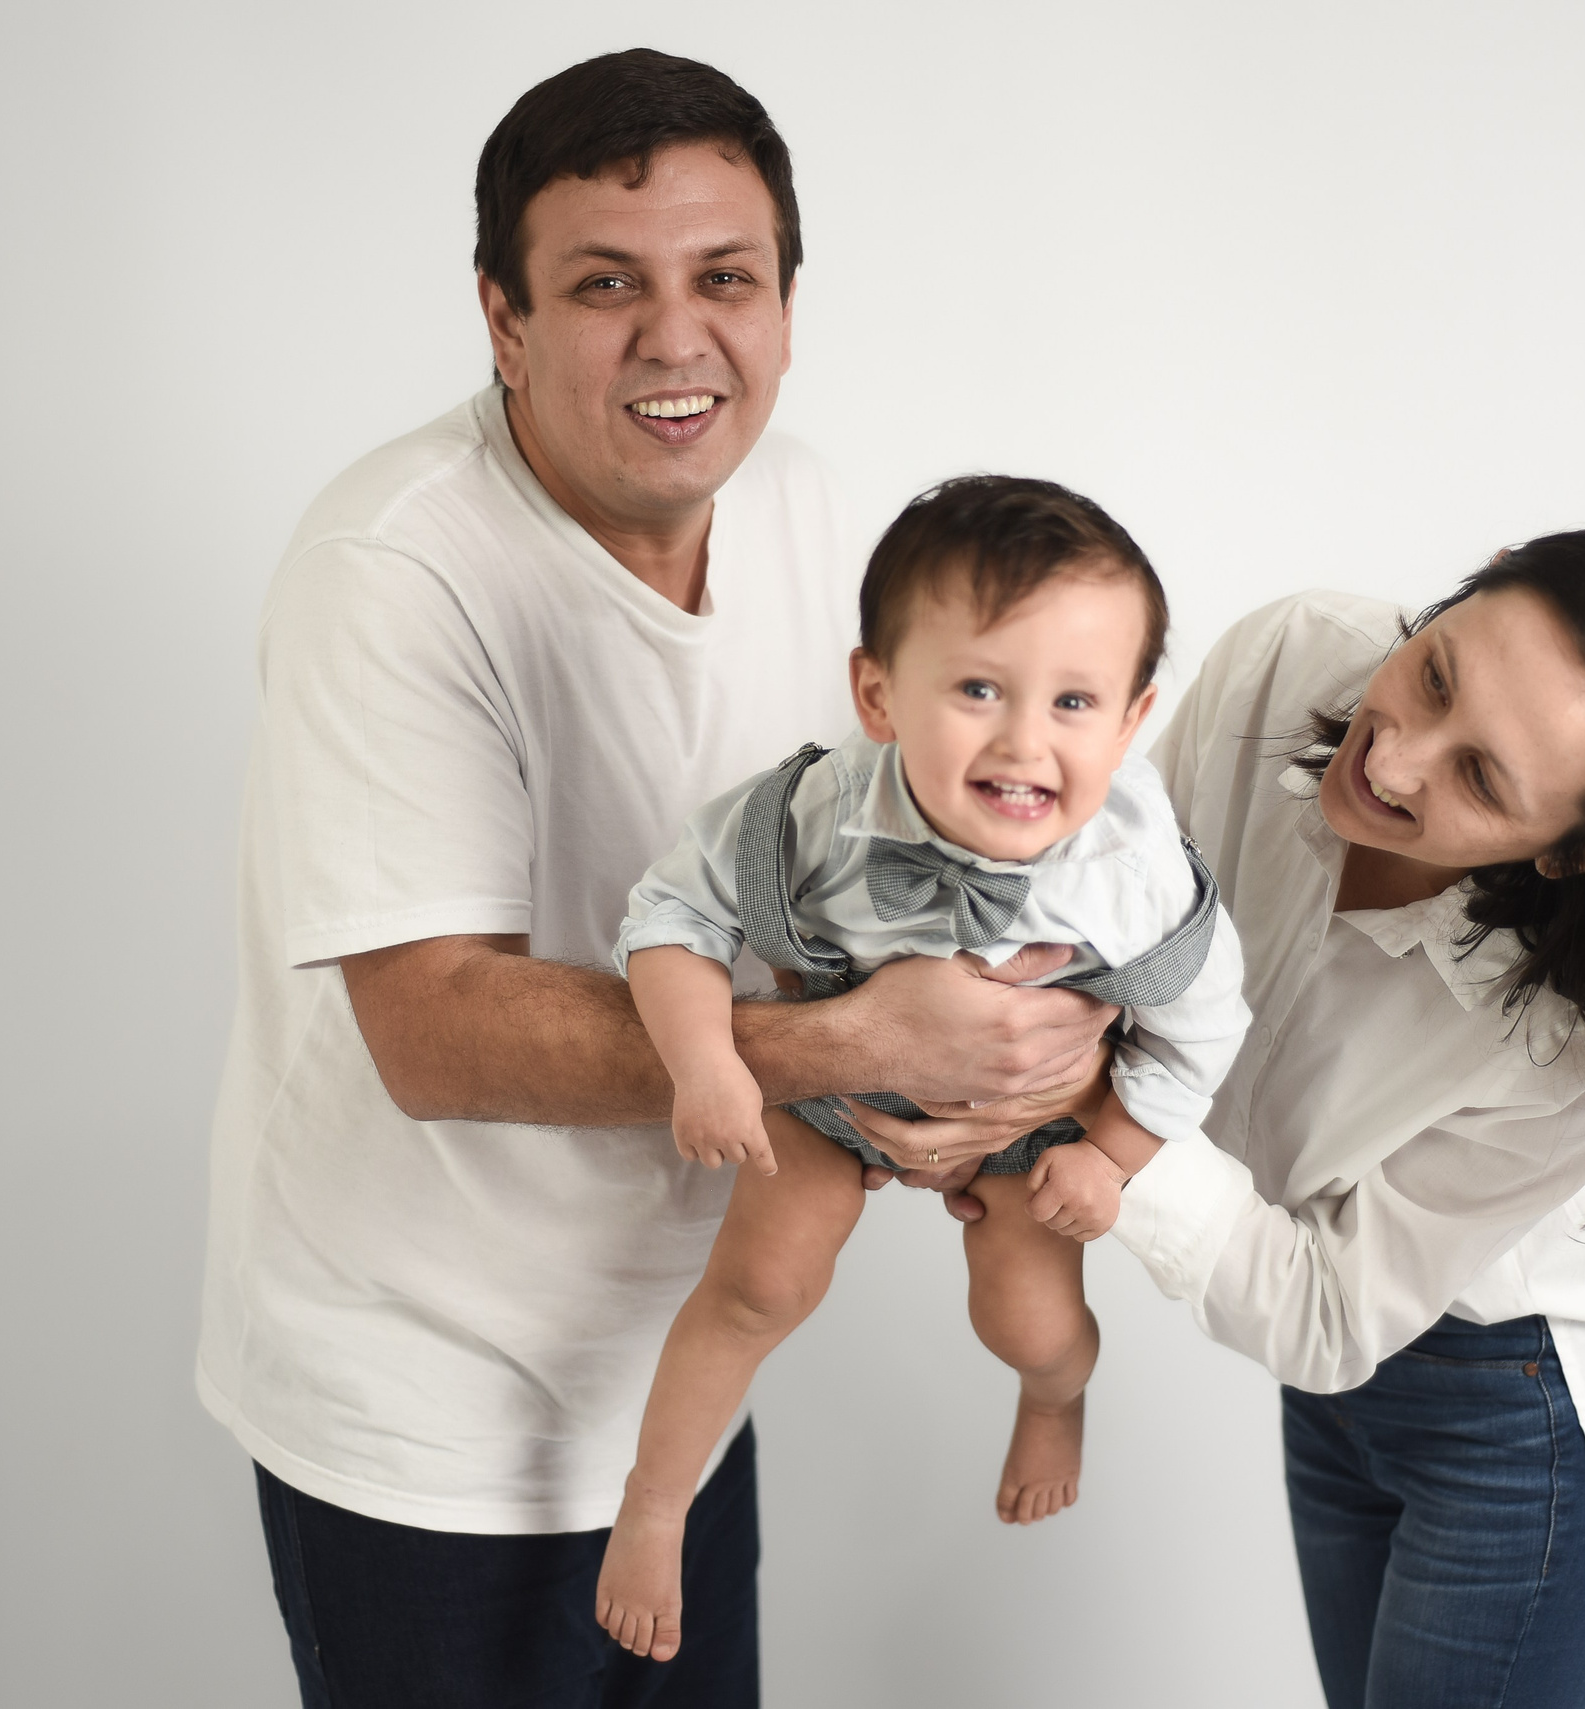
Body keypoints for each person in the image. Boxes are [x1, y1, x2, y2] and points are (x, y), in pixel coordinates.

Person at [194, 52, 1112, 1709]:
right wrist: (860, 1050)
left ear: (783, 298)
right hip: (429, 1417)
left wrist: (1010, 1059)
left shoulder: (811, 501)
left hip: (676, 1377)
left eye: (725, 280)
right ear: (504, 317)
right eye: (606, 286)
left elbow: (885, 860)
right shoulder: (393, 571)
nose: (679, 340)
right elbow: (438, 1031)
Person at [854, 530, 1585, 1708]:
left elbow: (1324, 1310)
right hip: (1336, 1366)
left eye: (1481, 778)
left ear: (1582, 850)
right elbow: (1123, 926)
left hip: (1523, 1414)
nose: (1397, 759)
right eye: (1434, 673)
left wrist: (1072, 1113)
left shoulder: (1583, 1045)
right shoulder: (1293, 657)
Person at [592, 477, 1250, 1662]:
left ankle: (1055, 1397)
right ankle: (653, 1499)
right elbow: (670, 910)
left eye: (1074, 701)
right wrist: (708, 1063)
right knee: (760, 1283)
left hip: (1031, 1113)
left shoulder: (1133, 869)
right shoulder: (807, 813)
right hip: (831, 1083)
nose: (1023, 741)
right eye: (979, 688)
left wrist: (1114, 1151)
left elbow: (1204, 1019)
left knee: (1028, 1314)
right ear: (877, 692)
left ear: (1133, 717)